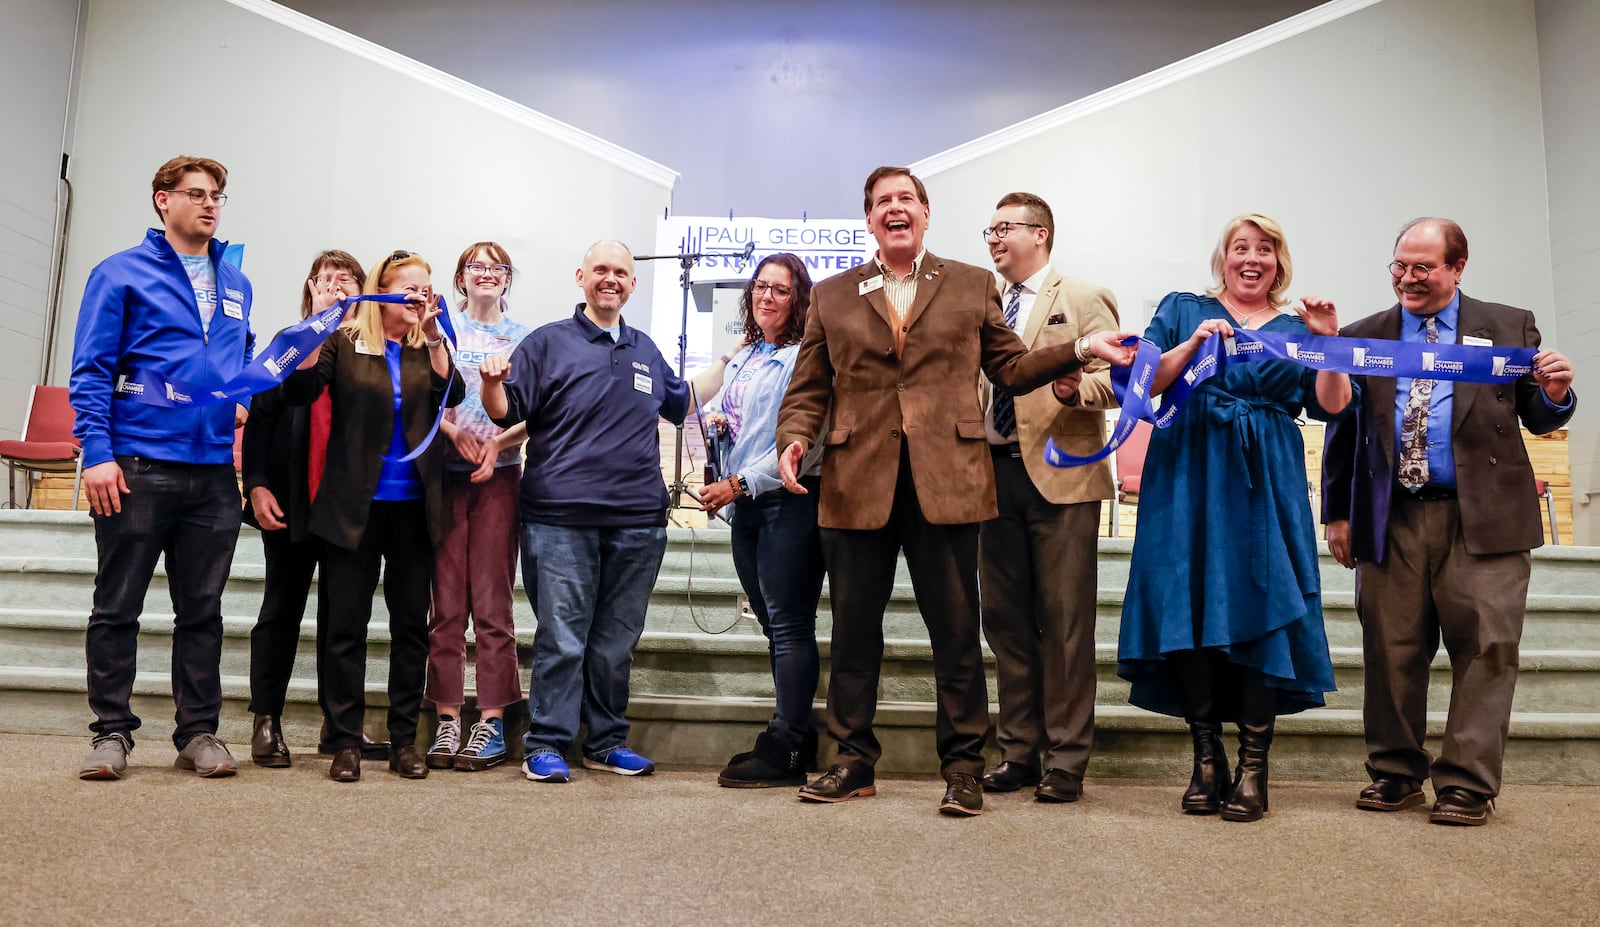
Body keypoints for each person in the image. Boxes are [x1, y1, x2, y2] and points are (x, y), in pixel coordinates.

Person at [775, 166, 1137, 816]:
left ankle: (964, 766)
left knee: (958, 635)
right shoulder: (830, 295)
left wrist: (1080, 347)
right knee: (854, 633)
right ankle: (852, 758)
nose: (895, 208)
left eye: (906, 199)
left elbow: (1012, 367)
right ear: (869, 219)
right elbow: (808, 388)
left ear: (925, 213)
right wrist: (794, 437)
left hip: (949, 480)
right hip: (857, 484)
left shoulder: (971, 284)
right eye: (883, 201)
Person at [1322, 217, 1576, 826]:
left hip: (1482, 516)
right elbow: (1344, 431)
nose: (1407, 279)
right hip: (1393, 516)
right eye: (1399, 266)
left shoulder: (1509, 325)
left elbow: (1537, 416)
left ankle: (1467, 783)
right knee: (1389, 648)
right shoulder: (1366, 335)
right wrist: (1337, 513)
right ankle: (1394, 772)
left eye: (1423, 268)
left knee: (1487, 648)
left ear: (1457, 268)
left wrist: (1558, 391)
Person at [1117, 213, 1350, 822]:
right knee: (1189, 602)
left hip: (1266, 476)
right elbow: (1145, 382)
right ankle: (1205, 760)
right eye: (1240, 247)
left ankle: (1253, 768)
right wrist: (1191, 347)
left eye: (1265, 249)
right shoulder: (1181, 309)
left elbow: (1332, 405)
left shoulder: (1299, 324)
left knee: (1261, 607)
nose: (1252, 258)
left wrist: (1327, 341)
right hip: (1188, 471)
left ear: (1279, 261)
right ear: (1222, 258)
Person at [71, 155, 254, 780]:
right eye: (196, 194)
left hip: (212, 475)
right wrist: (96, 452)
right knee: (117, 606)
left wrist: (244, 400)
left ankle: (199, 733)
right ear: (162, 200)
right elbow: (91, 368)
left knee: (202, 612)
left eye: (218, 196)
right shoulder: (119, 274)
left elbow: (239, 355)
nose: (209, 204)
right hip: (138, 464)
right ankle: (111, 734)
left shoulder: (236, 282)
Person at [480, 240, 689, 784]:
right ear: (581, 277)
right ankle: (546, 742)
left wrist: (736, 358)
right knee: (563, 637)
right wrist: (489, 383)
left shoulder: (645, 348)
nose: (611, 279)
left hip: (639, 520)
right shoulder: (546, 343)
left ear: (632, 284)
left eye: (621, 271)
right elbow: (504, 411)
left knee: (616, 642)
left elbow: (681, 402)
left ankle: (606, 741)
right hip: (559, 518)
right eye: (601, 270)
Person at [284, 250, 463, 782]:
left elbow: (446, 393)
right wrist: (316, 325)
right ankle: (344, 741)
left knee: (411, 626)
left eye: (426, 289)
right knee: (345, 628)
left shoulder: (427, 346)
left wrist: (432, 334)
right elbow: (298, 390)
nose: (419, 297)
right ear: (382, 290)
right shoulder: (343, 342)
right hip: (352, 509)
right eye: (409, 288)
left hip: (413, 510)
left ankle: (406, 740)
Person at [976, 192, 1121, 804]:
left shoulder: (1083, 297)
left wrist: (1076, 390)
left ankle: (1066, 760)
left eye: (1004, 228)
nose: (993, 239)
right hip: (989, 476)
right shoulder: (981, 304)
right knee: (1006, 623)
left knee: (1064, 625)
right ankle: (1017, 752)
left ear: (1041, 234)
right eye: (989, 230)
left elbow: (1122, 378)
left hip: (1063, 477)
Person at [243, 249, 393, 767]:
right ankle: (266, 722)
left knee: (345, 618)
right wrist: (257, 485)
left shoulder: (372, 348)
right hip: (290, 499)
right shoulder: (289, 343)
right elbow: (260, 417)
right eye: (325, 279)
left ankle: (341, 729)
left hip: (350, 504)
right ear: (310, 289)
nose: (335, 286)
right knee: (280, 610)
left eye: (346, 279)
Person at [691, 253, 824, 788]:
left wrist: (740, 482)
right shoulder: (749, 354)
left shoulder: (803, 356)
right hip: (748, 502)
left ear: (800, 299)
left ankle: (787, 743)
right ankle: (795, 734)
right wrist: (726, 428)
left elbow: (800, 441)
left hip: (788, 498)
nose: (766, 297)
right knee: (773, 626)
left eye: (781, 290)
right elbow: (751, 426)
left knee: (790, 626)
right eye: (760, 287)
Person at [423, 242, 531, 772]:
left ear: (508, 279)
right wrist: (451, 432)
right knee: (445, 602)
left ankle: (490, 720)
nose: (486, 275)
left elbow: (541, 409)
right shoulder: (440, 329)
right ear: (461, 277)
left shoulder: (526, 337)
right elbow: (421, 397)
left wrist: (498, 444)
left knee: (492, 603)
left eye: (497, 267)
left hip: (500, 478)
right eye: (476, 267)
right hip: (444, 476)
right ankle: (446, 716)